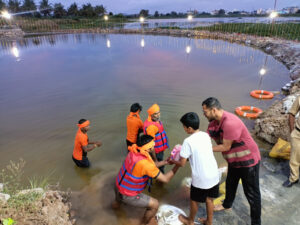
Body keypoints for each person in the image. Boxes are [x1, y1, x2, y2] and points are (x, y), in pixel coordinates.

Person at [202, 97, 261, 225]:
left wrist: (205, 149)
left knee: (251, 193)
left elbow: (225, 147)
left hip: (248, 161)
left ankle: (256, 222)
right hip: (234, 160)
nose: (203, 114)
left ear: (213, 110)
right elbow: (205, 138)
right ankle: (227, 204)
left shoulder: (230, 122)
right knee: (230, 183)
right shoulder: (213, 124)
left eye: (205, 111)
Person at [113, 134, 179, 225]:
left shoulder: (133, 151)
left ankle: (114, 214)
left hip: (118, 185)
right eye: (153, 146)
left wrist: (165, 162)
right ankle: (143, 223)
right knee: (155, 204)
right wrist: (178, 165)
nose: (154, 147)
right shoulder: (145, 164)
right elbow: (165, 179)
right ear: (148, 149)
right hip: (127, 194)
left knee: (117, 203)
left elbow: (148, 166)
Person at [170, 112, 219, 225]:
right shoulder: (205, 135)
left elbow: (182, 163)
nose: (183, 128)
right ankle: (209, 222)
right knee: (209, 199)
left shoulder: (187, 141)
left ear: (189, 128)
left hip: (201, 178)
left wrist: (172, 161)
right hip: (214, 174)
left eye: (184, 126)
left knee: (194, 200)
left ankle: (190, 221)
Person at [143, 103, 169, 172]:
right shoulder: (151, 127)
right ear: (151, 115)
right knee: (160, 167)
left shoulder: (156, 120)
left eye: (158, 112)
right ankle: (161, 179)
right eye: (155, 114)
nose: (158, 115)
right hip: (156, 152)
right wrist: (155, 160)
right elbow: (151, 146)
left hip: (160, 149)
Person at [282, 96, 300, 187]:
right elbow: (292, 114)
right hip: (298, 134)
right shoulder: (299, 98)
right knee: (294, 158)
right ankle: (293, 178)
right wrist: (292, 131)